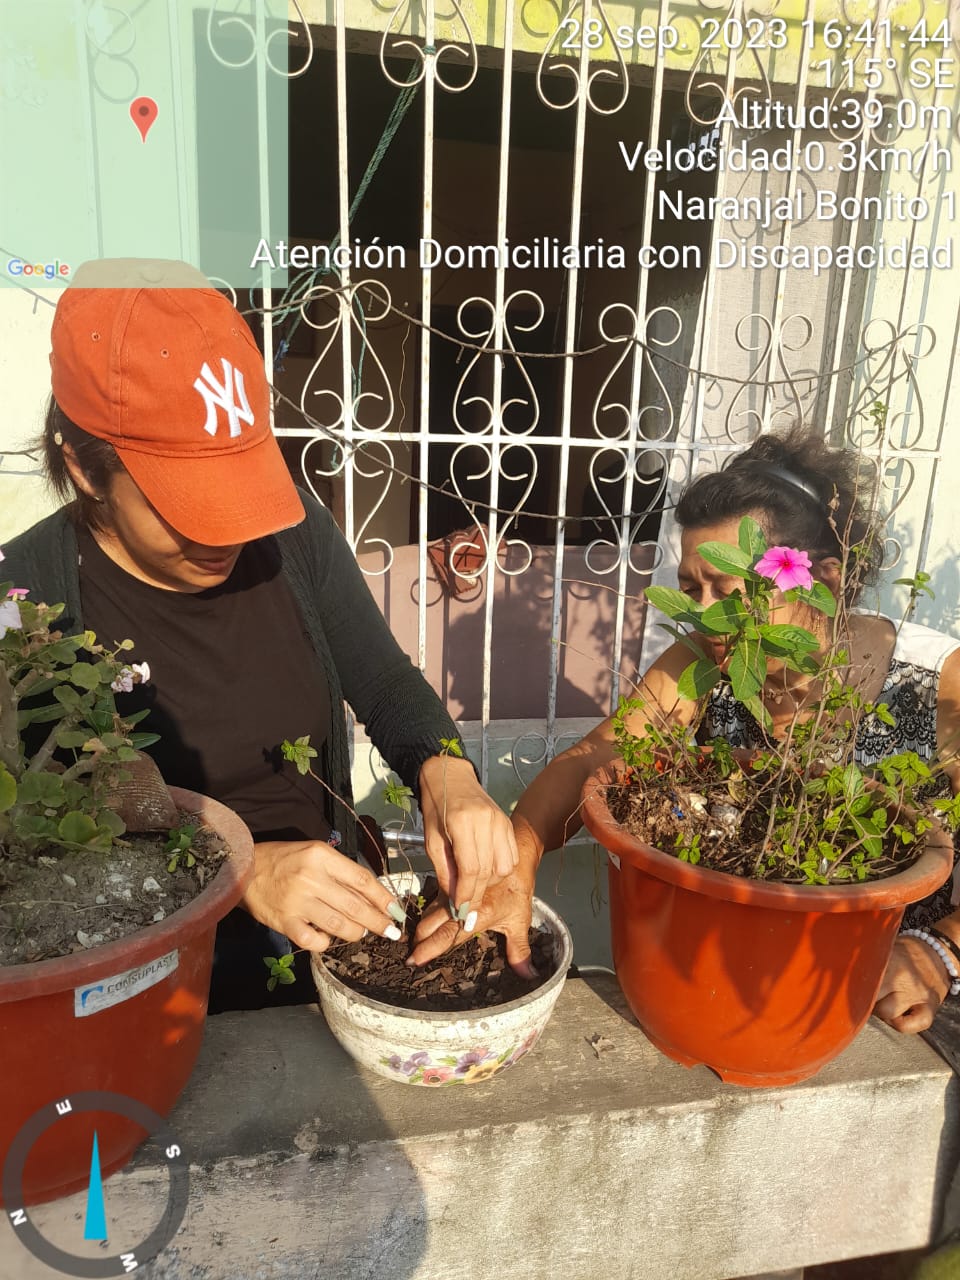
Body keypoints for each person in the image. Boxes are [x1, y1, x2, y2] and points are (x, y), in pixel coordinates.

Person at [1, 258, 518, 1011]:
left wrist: (447, 771)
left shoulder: (295, 539)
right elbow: (41, 850)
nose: (227, 535)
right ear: (83, 467)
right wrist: (238, 871)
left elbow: (382, 681)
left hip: (327, 946)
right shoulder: (23, 606)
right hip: (151, 995)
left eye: (237, 489)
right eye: (189, 504)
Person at [416, 426, 960, 1040]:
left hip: (881, 1003)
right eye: (690, 590)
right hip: (716, 982)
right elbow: (592, 761)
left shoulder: (936, 684)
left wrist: (940, 952)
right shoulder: (705, 665)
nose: (703, 615)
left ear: (822, 582)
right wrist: (517, 864)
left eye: (726, 590)